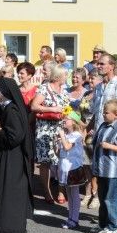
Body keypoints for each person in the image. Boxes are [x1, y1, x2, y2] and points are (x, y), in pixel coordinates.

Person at [0, 77, 35, 233]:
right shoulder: (8, 108)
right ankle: (3, 227)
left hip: (11, 157)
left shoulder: (11, 110)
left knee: (8, 192)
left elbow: (15, 136)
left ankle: (7, 228)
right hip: (8, 156)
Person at [31, 65, 69, 203]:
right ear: (58, 76)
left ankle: (61, 191)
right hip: (45, 129)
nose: (67, 77)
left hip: (59, 129)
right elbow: (34, 106)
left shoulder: (63, 91)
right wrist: (52, 109)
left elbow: (66, 109)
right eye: (65, 75)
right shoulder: (44, 88)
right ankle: (47, 192)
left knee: (61, 161)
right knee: (45, 162)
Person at [90, 99, 117, 233]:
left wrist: (110, 146)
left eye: (106, 113)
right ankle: (103, 224)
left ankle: (113, 226)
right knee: (102, 197)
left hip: (112, 170)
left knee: (111, 199)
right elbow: (95, 142)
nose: (104, 115)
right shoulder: (102, 126)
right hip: (101, 168)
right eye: (103, 112)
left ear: (116, 114)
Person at [57, 113, 87, 229]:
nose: (64, 120)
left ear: (73, 121)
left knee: (74, 193)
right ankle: (70, 218)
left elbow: (67, 147)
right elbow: (60, 152)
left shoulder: (76, 135)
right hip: (64, 167)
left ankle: (75, 219)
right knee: (69, 194)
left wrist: (62, 137)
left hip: (73, 168)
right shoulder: (66, 135)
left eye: (66, 118)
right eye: (63, 118)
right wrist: (56, 144)